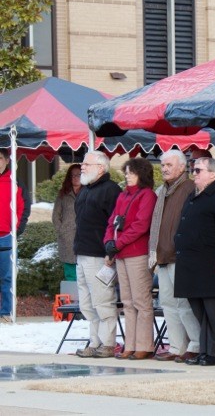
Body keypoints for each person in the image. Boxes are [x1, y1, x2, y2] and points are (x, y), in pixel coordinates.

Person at [174, 157, 215, 366]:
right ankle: (205, 351)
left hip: (211, 263)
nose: (194, 174)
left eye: (199, 170)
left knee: (214, 311)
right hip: (192, 264)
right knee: (200, 312)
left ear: (212, 174)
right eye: (193, 170)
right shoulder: (194, 195)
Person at [149, 150, 201, 363]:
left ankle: (195, 345)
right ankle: (177, 346)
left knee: (184, 304)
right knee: (168, 304)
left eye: (169, 165)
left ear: (182, 167)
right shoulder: (163, 190)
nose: (165, 169)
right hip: (163, 255)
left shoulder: (189, 187)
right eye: (163, 165)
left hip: (180, 255)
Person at [103, 158, 157, 360]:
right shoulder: (123, 195)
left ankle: (144, 345)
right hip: (121, 253)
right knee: (127, 301)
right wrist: (109, 242)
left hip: (137, 253)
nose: (127, 176)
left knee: (141, 301)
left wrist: (118, 243)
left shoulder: (147, 195)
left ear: (141, 174)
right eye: (126, 172)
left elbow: (141, 225)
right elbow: (112, 222)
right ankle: (130, 344)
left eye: (131, 173)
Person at [74, 151, 121, 358]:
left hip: (100, 255)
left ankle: (108, 343)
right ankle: (95, 342)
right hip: (82, 253)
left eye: (87, 164)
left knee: (102, 301)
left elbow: (117, 225)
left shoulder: (111, 190)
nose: (82, 167)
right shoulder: (85, 190)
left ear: (101, 168)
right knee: (86, 303)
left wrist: (111, 252)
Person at [0, 148, 30, 323]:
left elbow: (24, 207)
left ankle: (6, 313)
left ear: (6, 160)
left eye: (0, 158)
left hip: (7, 237)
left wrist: (16, 230)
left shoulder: (15, 181)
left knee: (7, 278)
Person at [52, 164, 82, 281]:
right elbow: (55, 215)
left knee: (85, 269)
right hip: (67, 236)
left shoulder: (89, 192)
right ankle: (72, 292)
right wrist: (61, 231)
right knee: (70, 270)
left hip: (85, 236)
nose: (76, 178)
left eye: (79, 175)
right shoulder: (63, 194)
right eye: (73, 175)